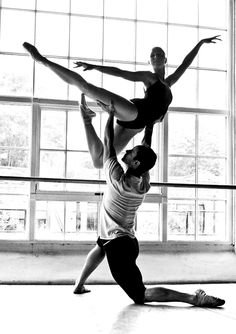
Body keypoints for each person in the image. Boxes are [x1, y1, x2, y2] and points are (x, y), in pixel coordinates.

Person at [73, 94, 225, 308]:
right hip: (124, 240)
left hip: (119, 246)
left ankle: (193, 298)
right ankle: (79, 284)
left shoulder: (118, 178)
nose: (126, 151)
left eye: (131, 152)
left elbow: (108, 144)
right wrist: (150, 125)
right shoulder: (143, 179)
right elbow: (145, 148)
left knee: (140, 295)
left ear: (134, 162)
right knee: (100, 245)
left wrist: (110, 116)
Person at [23, 35, 220, 168]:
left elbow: (186, 62)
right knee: (85, 87)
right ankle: (42, 60)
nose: (156, 56)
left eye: (159, 54)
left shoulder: (169, 82)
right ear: (149, 61)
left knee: (100, 162)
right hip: (135, 112)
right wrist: (95, 66)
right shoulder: (148, 77)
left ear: (166, 59)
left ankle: (87, 120)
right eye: (152, 54)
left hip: (139, 126)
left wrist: (201, 42)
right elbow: (120, 73)